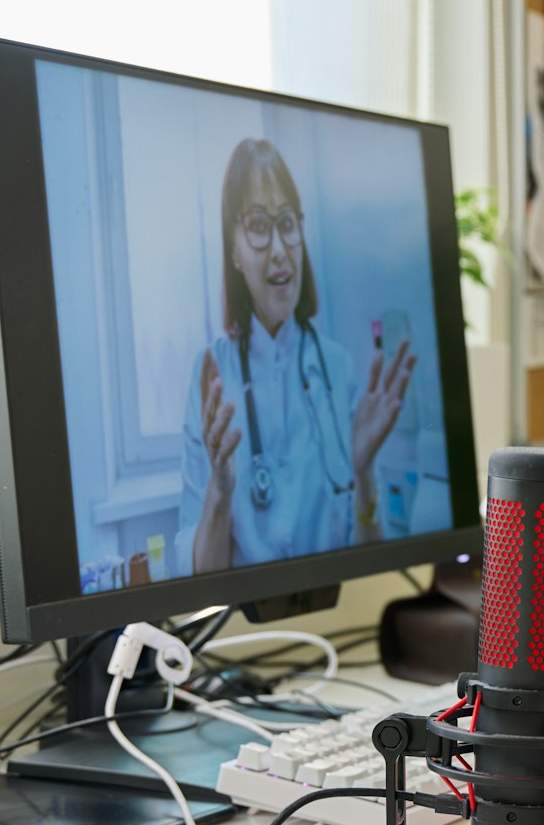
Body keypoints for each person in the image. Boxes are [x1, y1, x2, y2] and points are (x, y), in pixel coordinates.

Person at [176, 138, 415, 575]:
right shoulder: (210, 375)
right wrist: (221, 490)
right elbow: (202, 580)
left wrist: (362, 474)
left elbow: (370, 561)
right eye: (257, 225)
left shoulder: (338, 368)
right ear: (233, 251)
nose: (280, 248)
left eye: (287, 223)